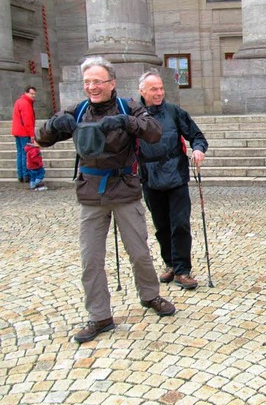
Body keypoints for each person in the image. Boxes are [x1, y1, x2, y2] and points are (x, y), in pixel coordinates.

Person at [37, 56, 176, 344]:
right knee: (91, 259)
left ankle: (150, 296)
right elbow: (41, 138)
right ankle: (99, 315)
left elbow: (154, 132)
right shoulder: (78, 111)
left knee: (139, 252)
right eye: (87, 82)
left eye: (97, 82)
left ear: (111, 83)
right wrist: (54, 125)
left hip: (124, 188)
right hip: (90, 192)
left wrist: (127, 122)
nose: (92, 87)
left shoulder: (129, 106)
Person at [137, 70, 209, 289]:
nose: (159, 93)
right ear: (142, 91)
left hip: (176, 174)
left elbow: (197, 136)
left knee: (180, 224)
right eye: (154, 89)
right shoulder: (135, 114)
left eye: (161, 88)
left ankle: (182, 270)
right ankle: (169, 264)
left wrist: (198, 149)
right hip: (149, 176)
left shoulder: (173, 112)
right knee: (161, 225)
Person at [11, 86, 37, 183]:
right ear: (26, 93)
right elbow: (28, 121)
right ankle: (26, 175)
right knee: (25, 154)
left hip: (17, 131)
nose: (33, 96)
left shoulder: (19, 101)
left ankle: (21, 175)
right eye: (31, 93)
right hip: (24, 132)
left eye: (34, 94)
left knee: (20, 153)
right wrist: (32, 135)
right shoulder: (26, 104)